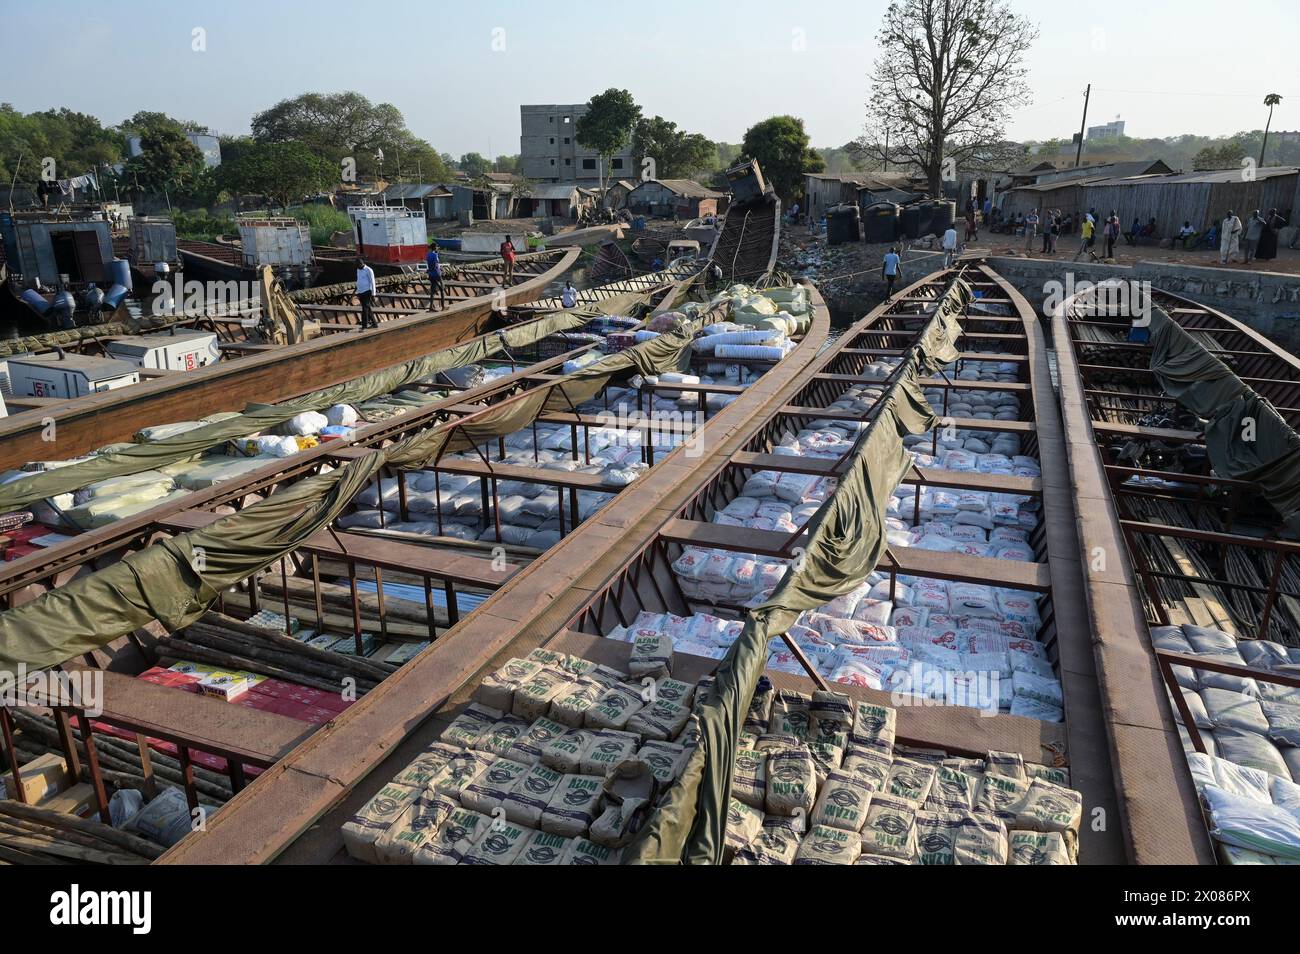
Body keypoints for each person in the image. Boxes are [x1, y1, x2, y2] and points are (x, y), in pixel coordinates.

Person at [356, 258, 377, 329]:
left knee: (364, 309)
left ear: (361, 264)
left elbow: (373, 282)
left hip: (367, 291)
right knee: (368, 308)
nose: (357, 267)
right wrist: (358, 293)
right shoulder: (358, 269)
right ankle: (374, 324)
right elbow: (358, 280)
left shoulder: (369, 270)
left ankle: (364, 326)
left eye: (358, 265)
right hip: (361, 292)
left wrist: (373, 294)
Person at [425, 242, 445, 309]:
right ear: (435, 248)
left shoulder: (428, 255)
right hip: (436, 274)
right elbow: (436, 265)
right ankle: (443, 306)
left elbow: (429, 264)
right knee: (442, 288)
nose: (437, 248)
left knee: (433, 290)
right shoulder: (435, 255)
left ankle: (431, 307)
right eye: (437, 247)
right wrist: (441, 270)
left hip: (430, 274)